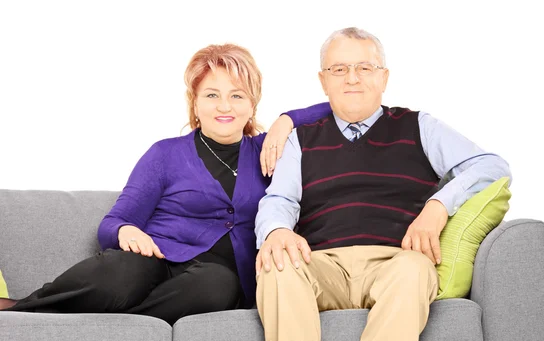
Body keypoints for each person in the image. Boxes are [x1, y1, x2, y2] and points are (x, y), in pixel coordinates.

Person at [254, 27, 512, 341]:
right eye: (339, 70)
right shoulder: (302, 139)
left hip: (395, 262)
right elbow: (279, 200)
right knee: (276, 265)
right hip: (322, 264)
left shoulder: (419, 126)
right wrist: (276, 230)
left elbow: (492, 166)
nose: (353, 78)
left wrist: (439, 206)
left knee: (413, 268)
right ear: (323, 81)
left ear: (384, 77)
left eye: (365, 67)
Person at [0, 43, 331, 325]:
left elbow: (339, 109)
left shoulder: (269, 152)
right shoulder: (165, 154)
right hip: (153, 260)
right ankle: (20, 310)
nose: (225, 106)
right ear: (196, 103)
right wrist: (125, 232)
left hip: (213, 279)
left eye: (237, 95)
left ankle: (118, 324)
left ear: (252, 104)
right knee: (123, 274)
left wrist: (286, 120)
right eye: (212, 94)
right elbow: (112, 223)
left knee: (216, 284)